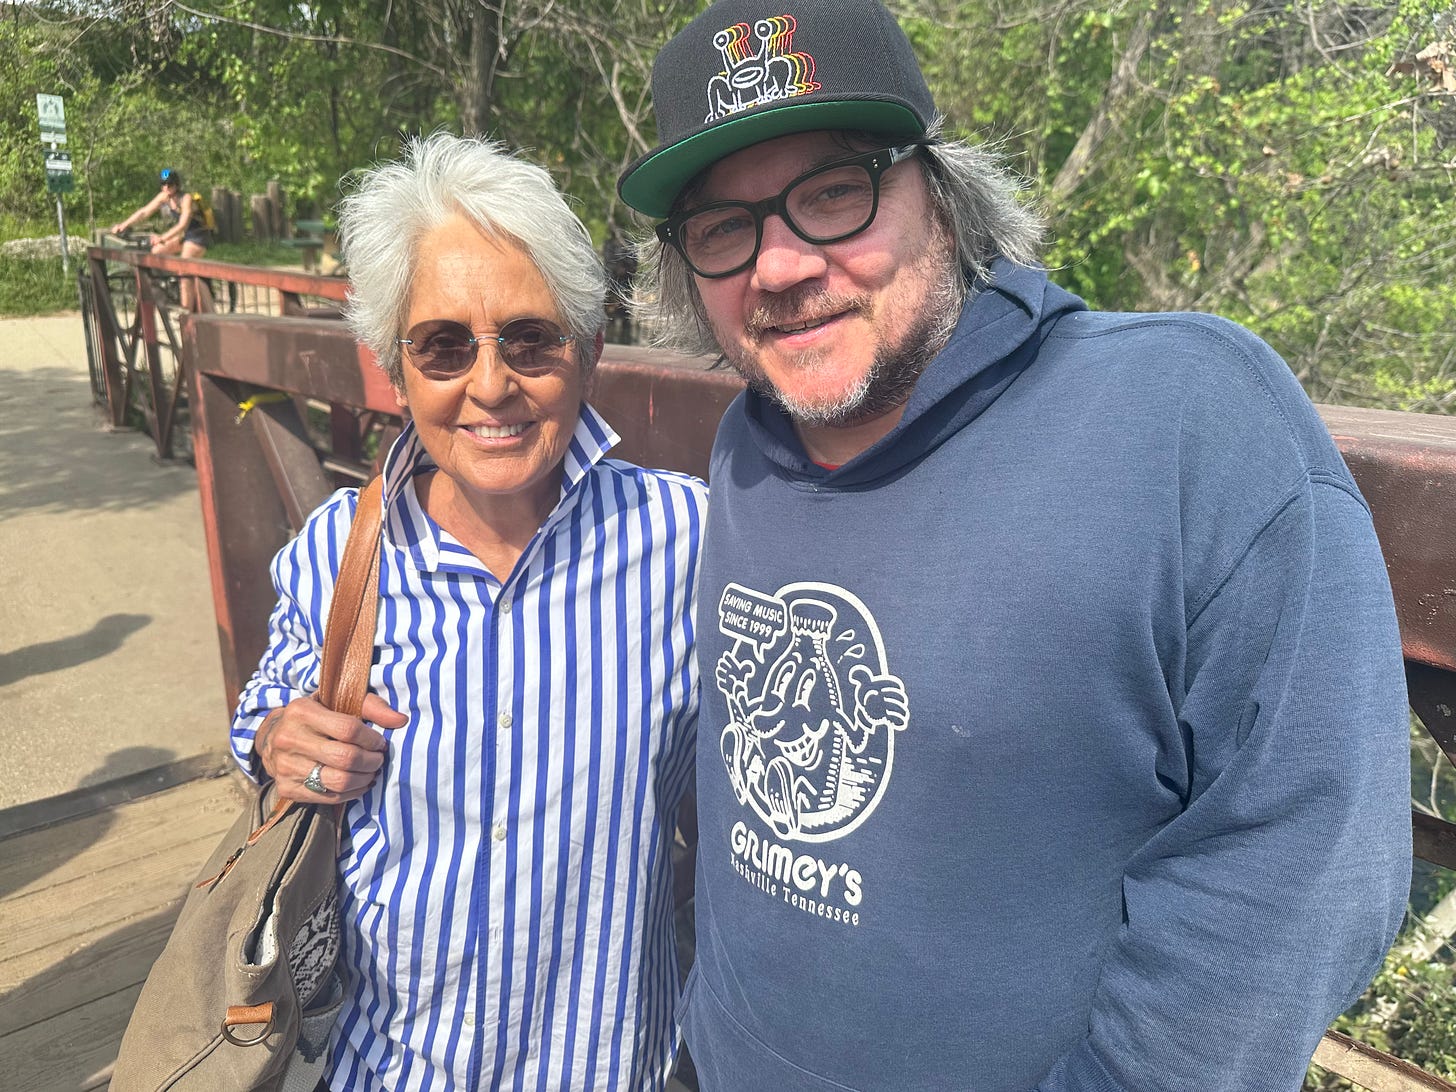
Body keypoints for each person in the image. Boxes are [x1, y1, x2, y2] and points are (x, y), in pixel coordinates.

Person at [617, 1, 1413, 1089]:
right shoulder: (750, 444)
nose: (779, 266)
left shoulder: (1187, 422)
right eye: (721, 228)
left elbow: (1304, 861)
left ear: (940, 194)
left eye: (835, 191)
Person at [230, 132, 707, 1092]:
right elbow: (264, 712)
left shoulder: (688, 540)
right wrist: (277, 737)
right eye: (444, 347)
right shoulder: (339, 553)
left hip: (609, 1068)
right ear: (393, 370)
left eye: (530, 338)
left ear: (590, 349)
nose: (490, 385)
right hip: (383, 1067)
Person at [109, 167, 213, 310]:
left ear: (177, 185)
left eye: (169, 184)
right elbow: (144, 212)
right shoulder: (164, 197)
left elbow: (182, 225)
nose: (166, 188)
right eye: (163, 184)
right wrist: (123, 224)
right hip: (183, 237)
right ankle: (172, 283)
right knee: (156, 252)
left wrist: (162, 237)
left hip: (197, 236)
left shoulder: (186, 198)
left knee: (183, 270)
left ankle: (186, 312)